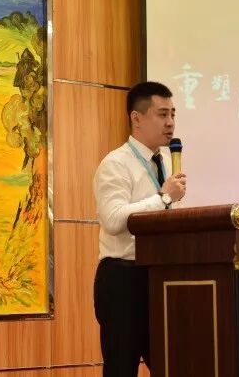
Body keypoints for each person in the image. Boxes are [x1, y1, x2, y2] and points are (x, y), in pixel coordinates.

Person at [93, 81, 187, 377]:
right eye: (162, 114)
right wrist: (164, 198)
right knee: (122, 368)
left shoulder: (164, 163)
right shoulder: (116, 164)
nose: (170, 122)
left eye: (173, 114)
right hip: (123, 279)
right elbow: (113, 219)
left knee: (173, 364)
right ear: (137, 118)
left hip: (159, 277)